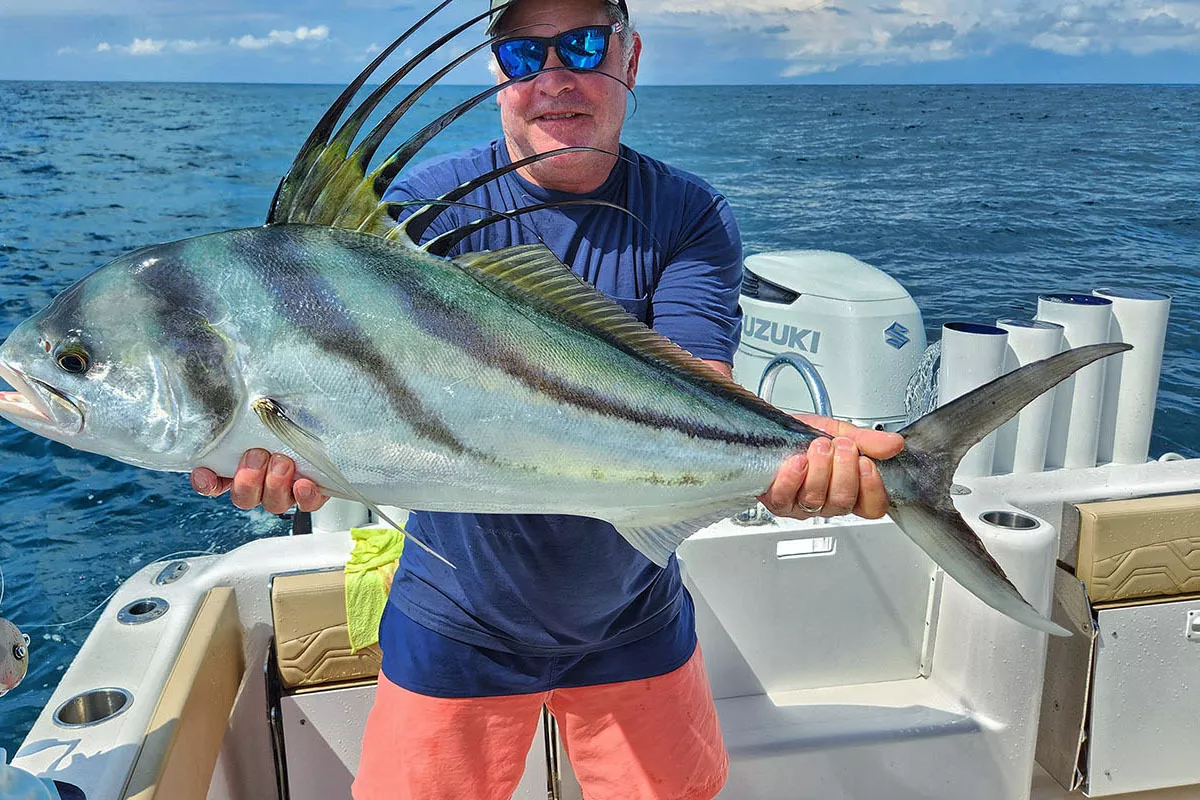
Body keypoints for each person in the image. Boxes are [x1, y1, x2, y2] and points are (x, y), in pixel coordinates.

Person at [190, 1, 904, 797]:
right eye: (525, 54)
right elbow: (351, 396)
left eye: (584, 44)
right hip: (456, 618)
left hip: (635, 611)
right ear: (498, 72)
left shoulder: (686, 213)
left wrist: (796, 454)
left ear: (630, 59)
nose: (555, 76)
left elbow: (703, 393)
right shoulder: (423, 217)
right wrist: (280, 455)